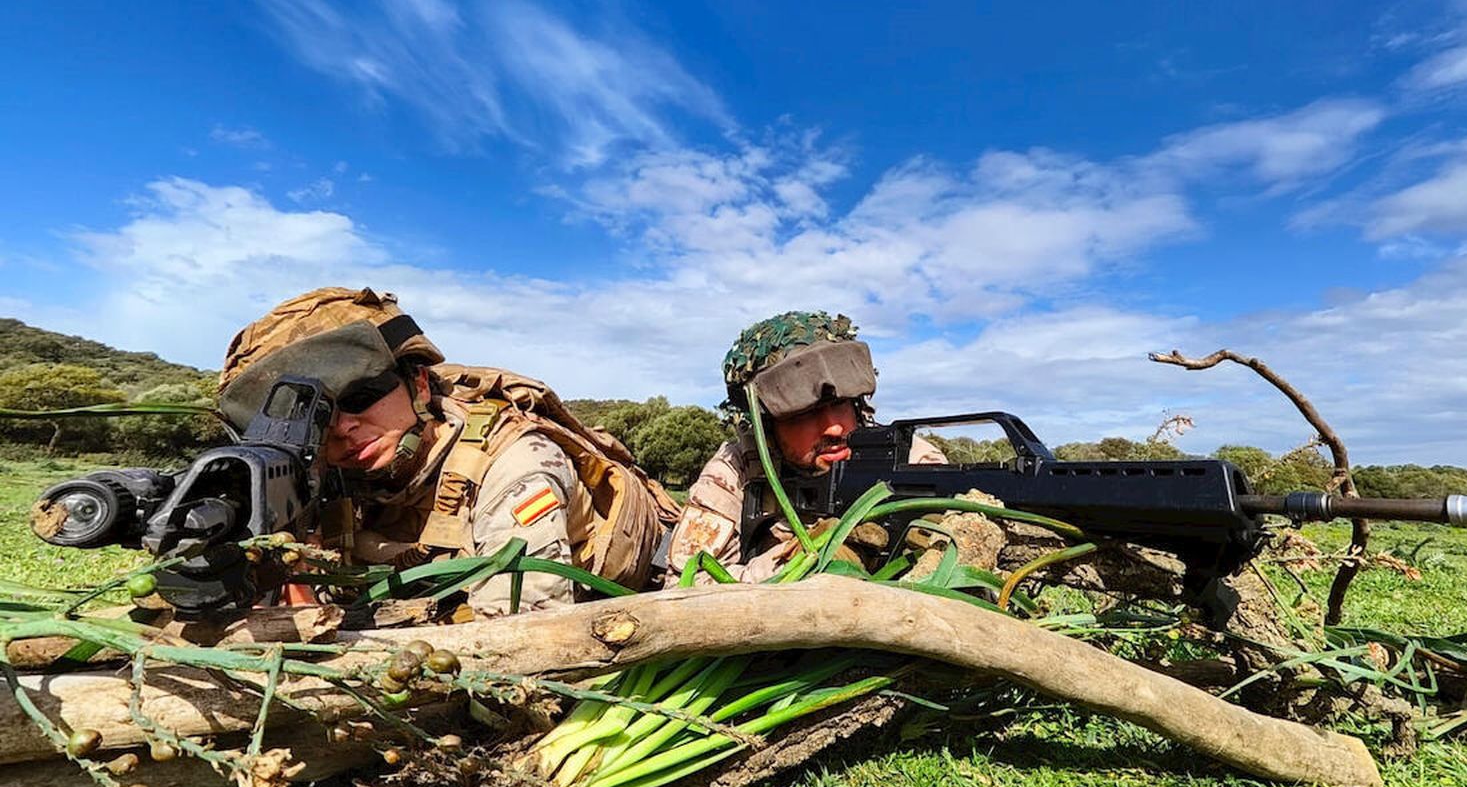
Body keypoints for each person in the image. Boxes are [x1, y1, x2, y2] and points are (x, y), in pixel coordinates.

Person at [217, 287, 674, 615]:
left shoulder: (515, 464)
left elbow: (524, 640)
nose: (343, 428)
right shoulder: (313, 478)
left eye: (359, 398)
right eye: (318, 416)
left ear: (417, 383)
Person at [668, 310, 944, 582]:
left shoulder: (911, 460)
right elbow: (684, 585)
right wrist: (801, 562)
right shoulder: (737, 469)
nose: (834, 428)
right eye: (804, 414)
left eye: (839, 404)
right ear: (766, 426)